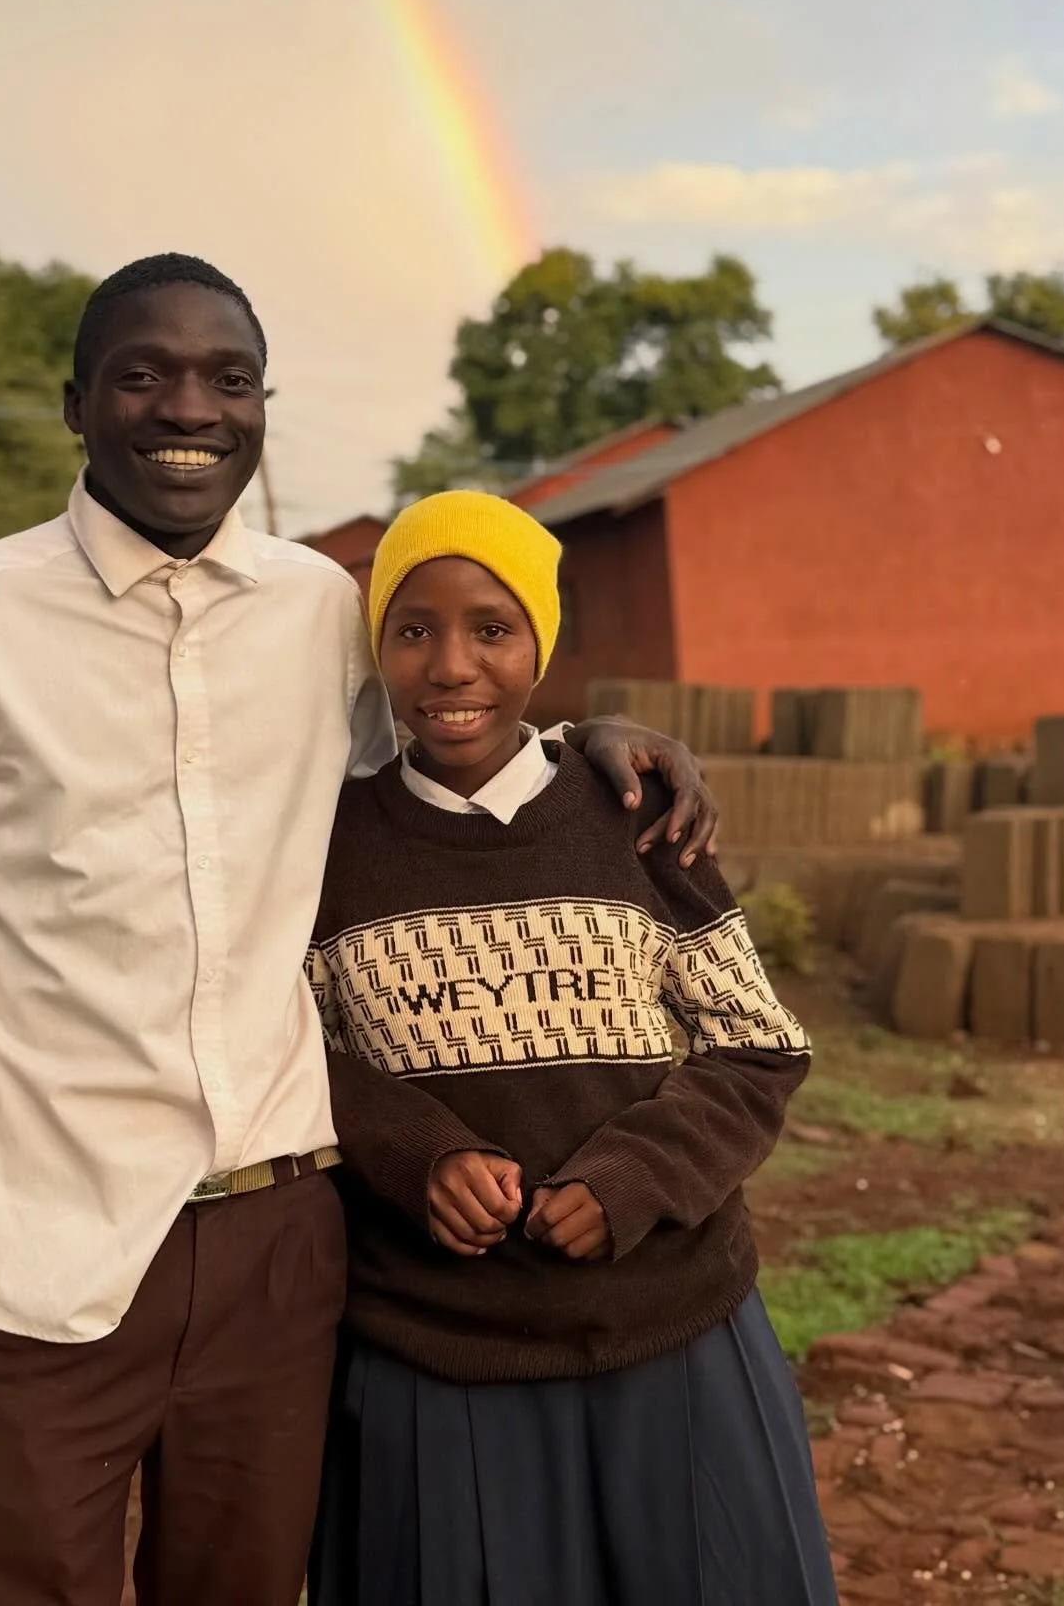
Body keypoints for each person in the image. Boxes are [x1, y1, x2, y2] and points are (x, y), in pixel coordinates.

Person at [0, 253, 721, 1606]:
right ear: (78, 403)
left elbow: (449, 734)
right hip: (43, 1254)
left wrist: (585, 739)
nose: (187, 407)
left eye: (226, 378)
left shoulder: (326, 615)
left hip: (285, 1255)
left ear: (261, 407)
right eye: (144, 374)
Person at [306, 490, 836, 1606]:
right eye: (413, 630)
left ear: (541, 644)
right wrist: (420, 1155)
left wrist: (634, 1174)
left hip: (675, 1326)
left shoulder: (637, 819)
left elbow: (758, 1043)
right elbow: (290, 1044)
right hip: (437, 1352)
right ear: (375, 651)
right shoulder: (328, 849)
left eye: (491, 629)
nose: (452, 665)